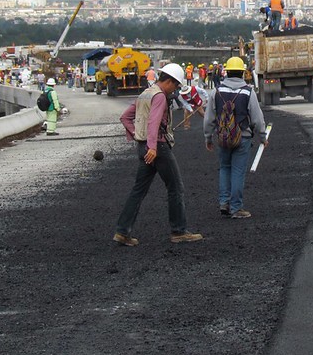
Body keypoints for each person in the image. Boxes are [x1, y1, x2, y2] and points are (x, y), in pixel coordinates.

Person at [114, 63, 204, 246]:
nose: (175, 90)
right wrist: (153, 147)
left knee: (138, 190)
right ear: (169, 81)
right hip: (158, 149)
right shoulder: (160, 96)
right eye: (175, 85)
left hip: (143, 147)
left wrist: (138, 136)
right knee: (175, 187)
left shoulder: (145, 93)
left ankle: (122, 232)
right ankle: (179, 231)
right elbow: (154, 122)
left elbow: (125, 117)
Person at [204, 56, 268, 219]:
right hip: (243, 137)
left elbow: (209, 118)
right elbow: (257, 118)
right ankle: (236, 208)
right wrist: (262, 136)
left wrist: (208, 138)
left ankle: (224, 203)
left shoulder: (217, 91)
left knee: (225, 168)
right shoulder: (248, 92)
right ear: (242, 73)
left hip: (223, 137)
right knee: (238, 171)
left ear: (227, 72)